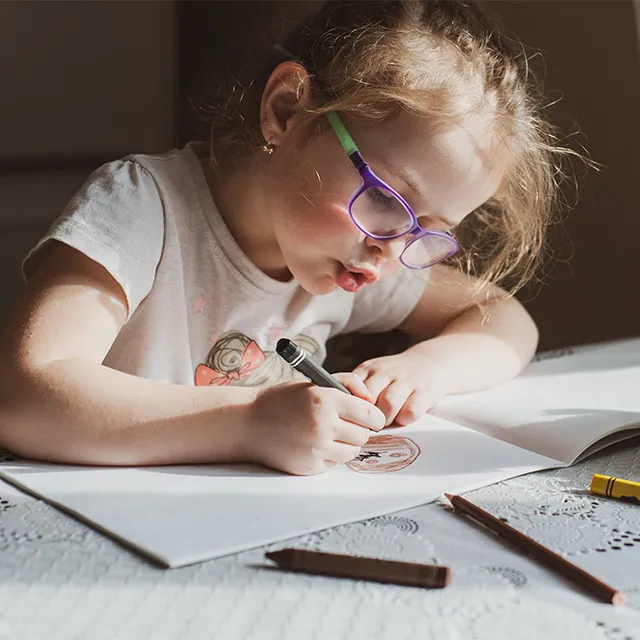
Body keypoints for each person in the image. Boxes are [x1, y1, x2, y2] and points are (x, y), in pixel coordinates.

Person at [0, 0, 579, 476]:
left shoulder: (353, 262)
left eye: (429, 232)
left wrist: (424, 370)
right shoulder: (144, 207)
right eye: (385, 198)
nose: (392, 249)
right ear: (286, 109)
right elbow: (26, 395)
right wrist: (250, 421)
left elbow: (502, 319)